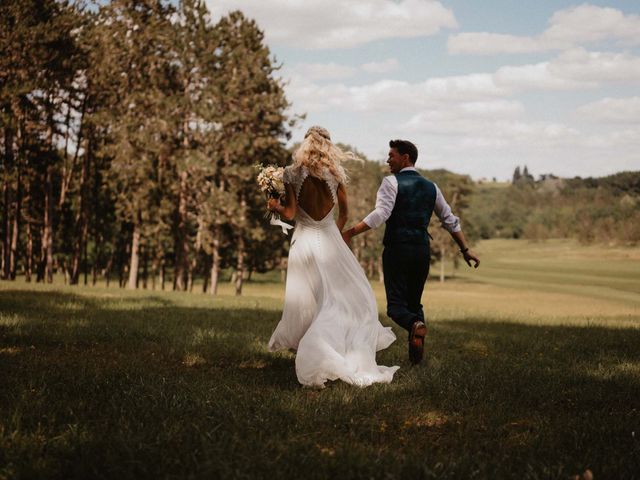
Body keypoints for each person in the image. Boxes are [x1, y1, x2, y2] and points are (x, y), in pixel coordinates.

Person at [267, 126, 399, 388]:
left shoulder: (292, 174)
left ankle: (314, 347)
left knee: (309, 299)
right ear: (328, 146)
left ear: (305, 145)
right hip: (330, 240)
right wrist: (334, 234)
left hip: (304, 242)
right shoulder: (335, 175)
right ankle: (332, 346)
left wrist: (275, 206)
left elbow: (291, 214)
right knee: (339, 296)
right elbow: (345, 214)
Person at [342, 139, 480, 365]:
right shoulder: (432, 187)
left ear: (405, 157)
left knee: (396, 308)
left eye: (391, 155)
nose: (388, 160)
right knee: (415, 304)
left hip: (397, 249)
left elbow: (380, 215)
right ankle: (416, 357)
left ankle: (415, 326)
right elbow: (449, 220)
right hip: (422, 251)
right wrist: (465, 249)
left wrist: (349, 233)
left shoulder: (391, 182)